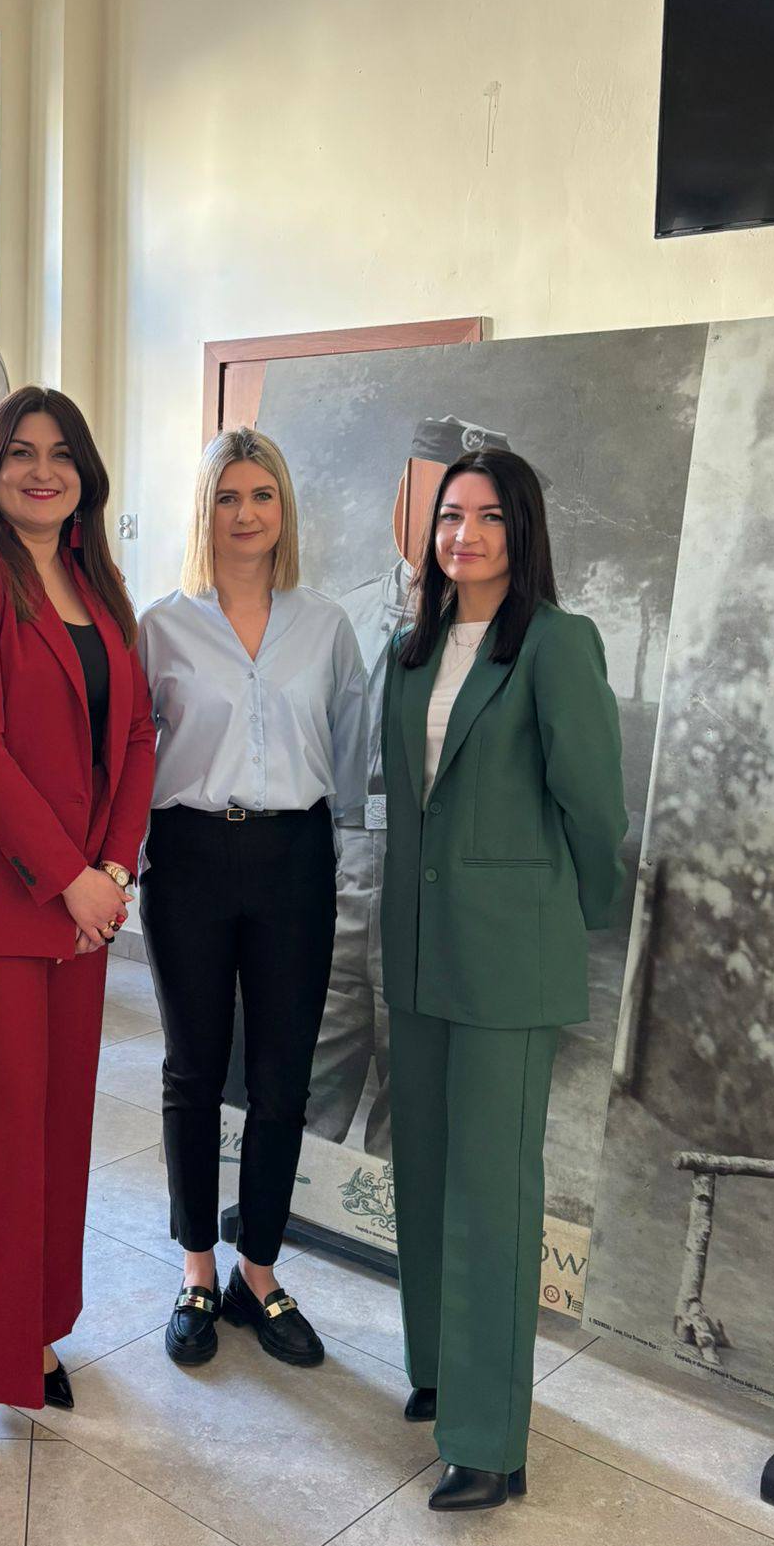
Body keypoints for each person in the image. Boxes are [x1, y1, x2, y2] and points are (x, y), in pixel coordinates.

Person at [0, 384, 155, 1464]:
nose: (42, 471)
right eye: (20, 452)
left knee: (58, 1125)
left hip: (81, 900)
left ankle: (30, 1326)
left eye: (61, 454)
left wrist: (113, 867)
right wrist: (68, 877)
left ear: (85, 474)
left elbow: (136, 732)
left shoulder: (97, 582)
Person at [381, 447, 626, 1511]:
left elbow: (596, 806)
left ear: (522, 530)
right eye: (450, 515)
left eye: (487, 516)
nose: (465, 534)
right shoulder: (410, 649)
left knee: (492, 1187)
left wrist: (569, 916)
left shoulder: (558, 643)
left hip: (508, 954)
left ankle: (489, 1440)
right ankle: (442, 1369)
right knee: (426, 1166)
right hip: (420, 945)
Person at [138, 427, 368, 1369]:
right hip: (189, 854)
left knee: (283, 1077)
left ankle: (258, 1270)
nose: (246, 514)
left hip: (294, 857)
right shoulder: (162, 626)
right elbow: (129, 754)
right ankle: (197, 1269)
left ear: (284, 510)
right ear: (206, 510)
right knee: (194, 1070)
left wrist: (343, 849)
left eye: (262, 496)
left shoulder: (327, 627)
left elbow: (350, 750)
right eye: (228, 496)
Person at [311, 414, 514, 1157]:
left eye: (477, 512)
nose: (448, 526)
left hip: (442, 877)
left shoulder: (514, 637)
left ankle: (395, 1210)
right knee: (315, 1056)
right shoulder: (347, 614)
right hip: (344, 866)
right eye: (432, 501)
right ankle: (292, 1201)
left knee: (418, 1074)